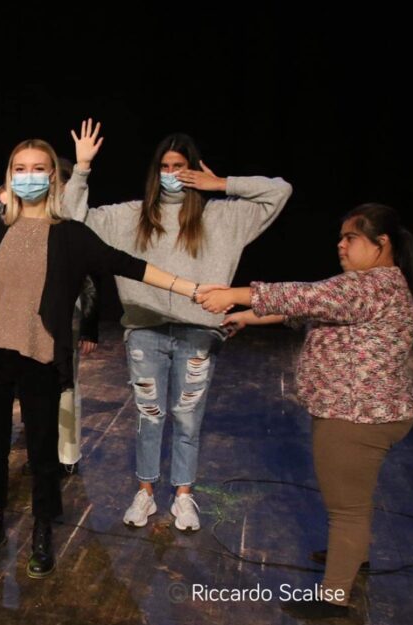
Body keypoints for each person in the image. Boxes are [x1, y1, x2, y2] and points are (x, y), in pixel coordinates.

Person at [0, 138, 218, 578]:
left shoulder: (71, 235)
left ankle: (42, 528)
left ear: (53, 178)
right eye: (20, 169)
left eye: (38, 168)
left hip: (40, 358)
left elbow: (127, 264)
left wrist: (191, 288)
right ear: (10, 177)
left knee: (43, 453)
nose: (29, 177)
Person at [63, 119, 293, 531]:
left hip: (199, 331)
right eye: (165, 167)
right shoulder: (131, 216)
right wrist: (81, 169)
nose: (172, 175)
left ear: (194, 169)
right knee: (148, 416)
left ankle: (184, 495)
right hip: (145, 329)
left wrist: (219, 183)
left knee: (188, 418)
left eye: (179, 167)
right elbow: (71, 220)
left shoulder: (223, 216)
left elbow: (280, 191)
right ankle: (146, 492)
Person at [198, 203, 413, 619]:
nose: (341, 245)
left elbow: (305, 295)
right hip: (363, 410)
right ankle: (353, 556)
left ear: (381, 243)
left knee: (347, 509)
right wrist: (247, 316)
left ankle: (334, 597)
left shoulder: (371, 285)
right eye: (341, 238)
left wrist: (235, 294)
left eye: (351, 237)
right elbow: (305, 309)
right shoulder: (375, 286)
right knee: (354, 499)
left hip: (356, 415)